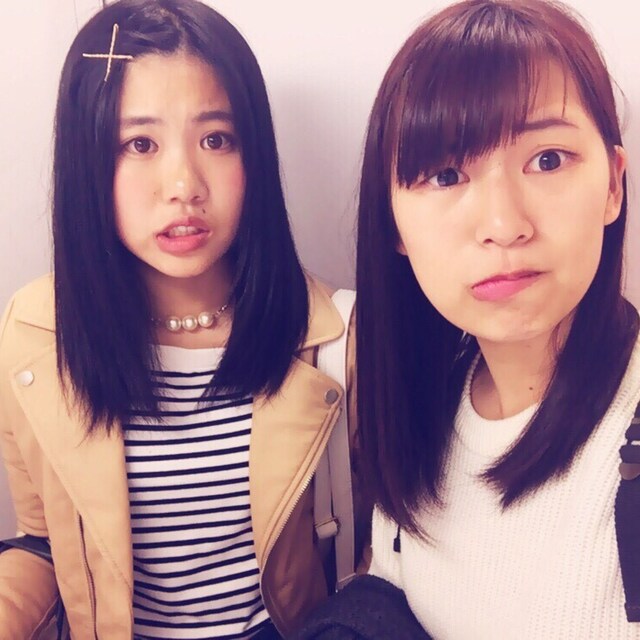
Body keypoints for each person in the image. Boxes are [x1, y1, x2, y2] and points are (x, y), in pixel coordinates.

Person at [0, 1, 358, 638]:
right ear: (87, 161)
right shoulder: (34, 335)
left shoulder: (328, 334)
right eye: (139, 144)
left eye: (216, 139)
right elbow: (43, 542)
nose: (184, 184)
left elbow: (381, 539)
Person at [354, 0, 640, 638]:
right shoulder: (420, 405)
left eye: (548, 160)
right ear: (392, 222)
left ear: (613, 185)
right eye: (446, 174)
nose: (504, 225)